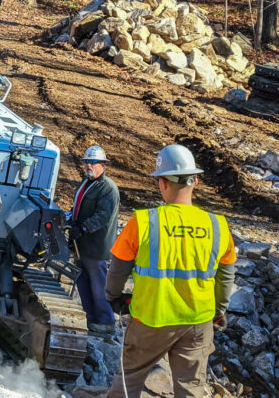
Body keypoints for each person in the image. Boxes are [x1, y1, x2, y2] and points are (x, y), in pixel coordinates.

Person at [104, 144, 236, 398]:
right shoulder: (218, 225)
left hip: (151, 318)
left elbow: (117, 269)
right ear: (195, 181)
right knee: (191, 388)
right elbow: (225, 276)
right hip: (197, 321)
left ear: (162, 183)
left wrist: (114, 298)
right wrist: (218, 311)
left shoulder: (143, 221)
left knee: (129, 379)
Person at [67, 145, 120, 334]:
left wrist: (82, 228)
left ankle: (105, 321)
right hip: (81, 244)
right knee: (82, 280)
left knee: (98, 283)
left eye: (93, 162)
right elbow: (79, 208)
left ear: (103, 165)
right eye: (86, 162)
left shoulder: (107, 188)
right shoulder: (87, 183)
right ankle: (90, 317)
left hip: (97, 246)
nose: (89, 165)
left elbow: (102, 216)